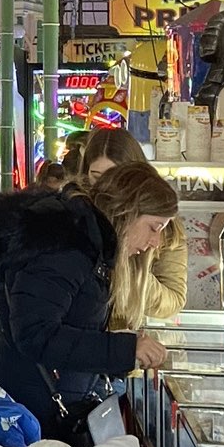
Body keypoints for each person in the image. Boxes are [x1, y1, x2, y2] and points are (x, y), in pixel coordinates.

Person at [0, 162, 175, 441]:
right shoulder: (66, 248)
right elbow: (35, 334)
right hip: (28, 409)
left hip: (37, 402)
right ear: (127, 212)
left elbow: (70, 320)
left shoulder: (87, 243)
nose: (156, 242)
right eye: (154, 227)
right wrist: (124, 348)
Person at [79, 130, 188, 321]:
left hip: (132, 336)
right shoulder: (75, 220)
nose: (105, 187)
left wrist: (131, 271)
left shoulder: (164, 229)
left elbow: (174, 300)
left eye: (116, 177)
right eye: (96, 177)